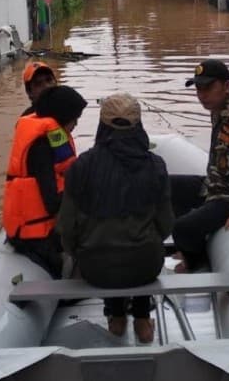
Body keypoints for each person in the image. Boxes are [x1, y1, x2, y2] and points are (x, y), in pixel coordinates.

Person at [57, 93, 173, 343]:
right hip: (145, 266)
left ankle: (116, 316)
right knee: (141, 246)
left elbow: (66, 228)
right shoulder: (156, 166)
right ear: (138, 125)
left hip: (96, 268)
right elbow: (166, 225)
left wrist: (76, 252)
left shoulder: (81, 167)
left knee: (104, 243)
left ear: (102, 125)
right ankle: (142, 319)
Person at [171, 59, 229, 272]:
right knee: (165, 185)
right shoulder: (218, 111)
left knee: (182, 229)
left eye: (208, 87)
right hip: (214, 186)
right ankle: (190, 246)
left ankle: (196, 263)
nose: (202, 95)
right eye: (198, 88)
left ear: (226, 86)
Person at [2, 85, 87, 279]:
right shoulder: (41, 149)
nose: (76, 125)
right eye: (75, 118)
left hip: (39, 229)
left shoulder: (48, 138)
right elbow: (51, 202)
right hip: (35, 237)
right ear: (63, 117)